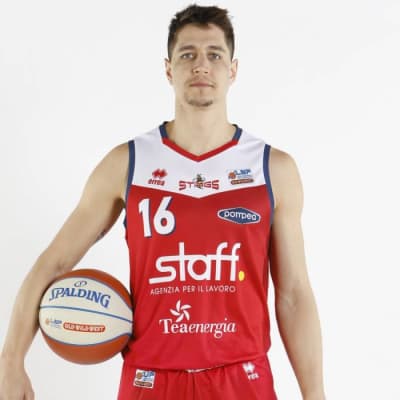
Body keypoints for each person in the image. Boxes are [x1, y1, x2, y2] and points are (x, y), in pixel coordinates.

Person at [0, 4, 326, 400]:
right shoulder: (127, 164)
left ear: (233, 70)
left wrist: (315, 395)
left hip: (242, 379)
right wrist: (10, 362)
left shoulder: (272, 169)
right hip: (150, 380)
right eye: (187, 54)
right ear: (169, 70)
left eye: (214, 55)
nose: (201, 65)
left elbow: (293, 295)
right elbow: (52, 264)